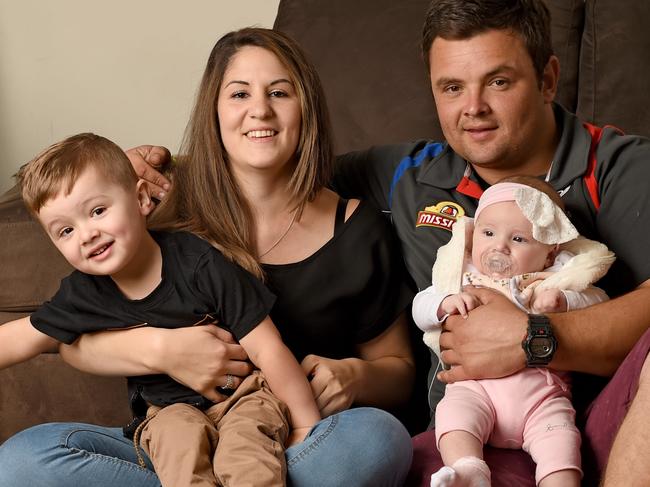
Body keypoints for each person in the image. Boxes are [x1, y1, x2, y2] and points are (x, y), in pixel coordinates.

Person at [39, 0, 650, 484]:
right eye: (451, 87)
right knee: (28, 460)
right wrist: (142, 172)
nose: (474, 110)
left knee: (368, 445)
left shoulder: (617, 166)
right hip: (456, 433)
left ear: (547, 79)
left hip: (574, 419)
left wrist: (536, 339)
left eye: (499, 82)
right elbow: (269, 161)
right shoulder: (409, 172)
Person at [0, 28, 416, 487]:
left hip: (294, 436)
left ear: (307, 108)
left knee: (378, 440)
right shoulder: (165, 205)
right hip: (174, 437)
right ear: (214, 112)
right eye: (239, 93)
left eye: (279, 92)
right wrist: (160, 349)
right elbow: (68, 332)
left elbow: (399, 371)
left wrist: (356, 376)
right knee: (22, 461)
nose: (260, 109)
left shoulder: (356, 230)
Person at [7, 132, 322, 487]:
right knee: (178, 451)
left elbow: (268, 348)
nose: (86, 234)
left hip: (243, 397)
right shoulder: (84, 292)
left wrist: (308, 426)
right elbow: (23, 337)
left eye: (97, 211)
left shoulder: (199, 263)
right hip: (169, 414)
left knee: (246, 457)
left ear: (141, 198)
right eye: (65, 231)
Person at [412, 177, 614, 487]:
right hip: (476, 389)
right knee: (453, 416)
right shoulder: (462, 276)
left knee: (561, 441)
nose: (499, 246)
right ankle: (468, 470)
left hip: (542, 396)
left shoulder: (558, 277)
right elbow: (419, 306)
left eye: (519, 239)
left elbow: (600, 304)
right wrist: (444, 303)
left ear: (549, 253)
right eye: (489, 233)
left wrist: (564, 301)